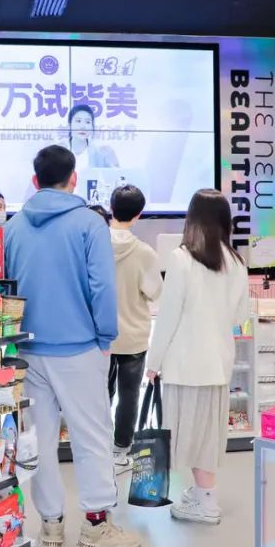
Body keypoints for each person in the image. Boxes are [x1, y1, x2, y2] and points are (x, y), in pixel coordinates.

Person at [4, 145, 140, 547]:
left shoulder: (13, 227)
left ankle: (50, 525)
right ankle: (96, 527)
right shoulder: (89, 224)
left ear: (35, 181)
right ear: (74, 178)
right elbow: (102, 287)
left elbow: (7, 286)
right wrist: (105, 338)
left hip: (27, 349)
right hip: (80, 348)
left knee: (39, 440)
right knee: (92, 436)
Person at [146, 189, 250, 524]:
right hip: (218, 362)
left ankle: (205, 502)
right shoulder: (236, 262)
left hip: (185, 363)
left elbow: (168, 317)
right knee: (207, 435)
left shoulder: (181, 258)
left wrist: (153, 362)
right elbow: (240, 316)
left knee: (187, 434)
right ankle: (204, 494)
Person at [107, 185, 163, 474]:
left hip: (100, 335)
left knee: (98, 394)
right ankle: (120, 451)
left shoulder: (93, 245)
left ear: (110, 208)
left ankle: (97, 447)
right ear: (139, 214)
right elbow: (155, 292)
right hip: (133, 334)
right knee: (129, 394)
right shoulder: (144, 252)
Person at [62, 104, 119, 170]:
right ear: (69, 125)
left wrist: (112, 161)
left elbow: (118, 174)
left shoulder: (101, 152)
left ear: (92, 126)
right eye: (78, 121)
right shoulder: (59, 150)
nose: (83, 126)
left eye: (88, 122)